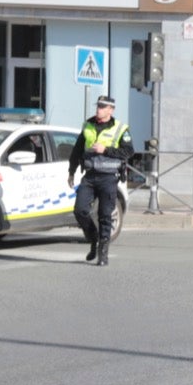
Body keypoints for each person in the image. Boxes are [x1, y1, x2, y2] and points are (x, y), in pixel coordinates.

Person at [68, 94, 133, 267]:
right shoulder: (88, 125)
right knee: (79, 210)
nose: (99, 109)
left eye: (103, 107)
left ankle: (102, 254)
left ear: (111, 110)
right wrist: (71, 171)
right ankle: (93, 239)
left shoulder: (120, 128)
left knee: (105, 215)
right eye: (98, 106)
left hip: (108, 177)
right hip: (89, 176)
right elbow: (77, 150)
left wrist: (106, 150)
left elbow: (128, 152)